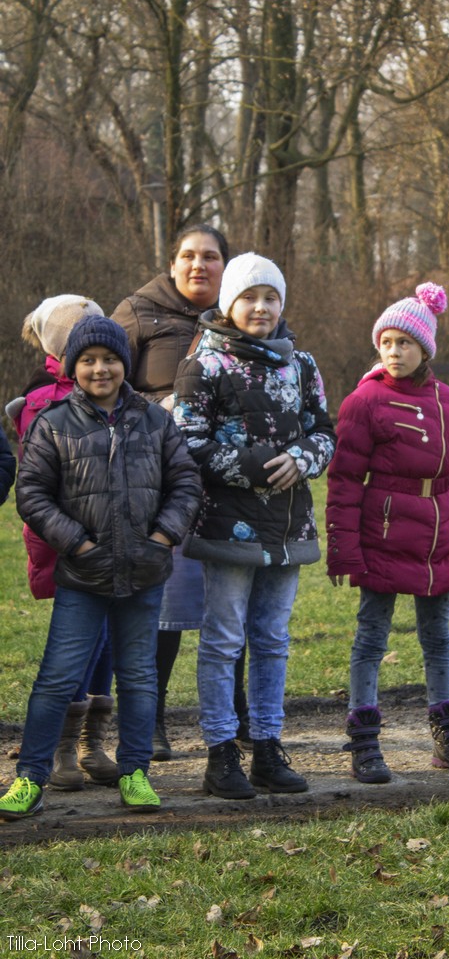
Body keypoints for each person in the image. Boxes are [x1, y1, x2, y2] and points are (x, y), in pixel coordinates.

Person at [0, 317, 201, 821]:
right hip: (82, 577)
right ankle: (30, 777)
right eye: (87, 360)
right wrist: (79, 543)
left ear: (124, 364)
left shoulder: (156, 421)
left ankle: (134, 773)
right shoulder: (54, 423)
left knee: (138, 676)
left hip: (144, 574)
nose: (100, 368)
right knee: (56, 678)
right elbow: (32, 494)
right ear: (73, 367)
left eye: (109, 359)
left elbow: (186, 485)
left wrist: (161, 538)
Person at [172, 253, 336, 799]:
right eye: (249, 297)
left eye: (270, 298)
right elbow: (188, 444)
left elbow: (323, 430)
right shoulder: (205, 365)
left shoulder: (302, 364)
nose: (260, 307)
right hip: (227, 527)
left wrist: (304, 459)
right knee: (222, 640)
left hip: (288, 526)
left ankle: (267, 745)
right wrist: (259, 466)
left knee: (272, 639)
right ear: (228, 304)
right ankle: (221, 754)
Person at [325, 282, 449, 784]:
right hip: (382, 534)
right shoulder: (364, 402)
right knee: (371, 636)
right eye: (386, 343)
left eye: (405, 343)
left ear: (425, 349)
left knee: (437, 637)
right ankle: (364, 739)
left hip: (435, 538)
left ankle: (448, 735)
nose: (394, 352)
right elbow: (345, 481)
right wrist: (344, 551)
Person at [112, 223, 249, 760]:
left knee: (230, 597)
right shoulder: (137, 312)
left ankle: (235, 713)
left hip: (227, 482)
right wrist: (157, 407)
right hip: (160, 482)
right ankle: (149, 718)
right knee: (166, 602)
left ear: (225, 266)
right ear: (171, 265)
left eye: (211, 257)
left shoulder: (243, 314)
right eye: (189, 256)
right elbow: (96, 380)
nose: (199, 266)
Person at [5, 294, 119, 790]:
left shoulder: (113, 386)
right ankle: (63, 747)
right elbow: (41, 483)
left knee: (110, 638)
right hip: (70, 541)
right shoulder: (40, 401)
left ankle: (95, 741)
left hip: (116, 538)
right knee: (81, 640)